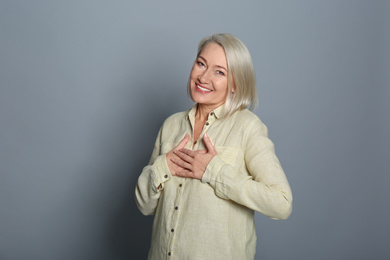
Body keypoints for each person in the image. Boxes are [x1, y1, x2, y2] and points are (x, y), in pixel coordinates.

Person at [135, 33, 292, 260]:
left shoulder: (248, 128)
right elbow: (144, 206)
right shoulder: (171, 126)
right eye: (201, 64)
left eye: (219, 72)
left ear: (235, 84)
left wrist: (215, 172)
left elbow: (281, 203)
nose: (203, 77)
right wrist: (163, 166)